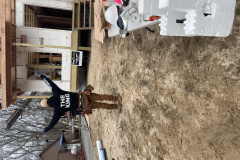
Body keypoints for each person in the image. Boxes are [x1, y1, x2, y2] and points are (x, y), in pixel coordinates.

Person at [29, 68, 122, 139]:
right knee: (101, 97)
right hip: (83, 96)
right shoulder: (56, 92)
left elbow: (52, 123)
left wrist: (44, 131)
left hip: (83, 105)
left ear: (48, 106)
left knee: (101, 105)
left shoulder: (57, 111)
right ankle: (116, 98)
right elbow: (49, 82)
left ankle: (117, 106)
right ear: (47, 98)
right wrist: (39, 74)